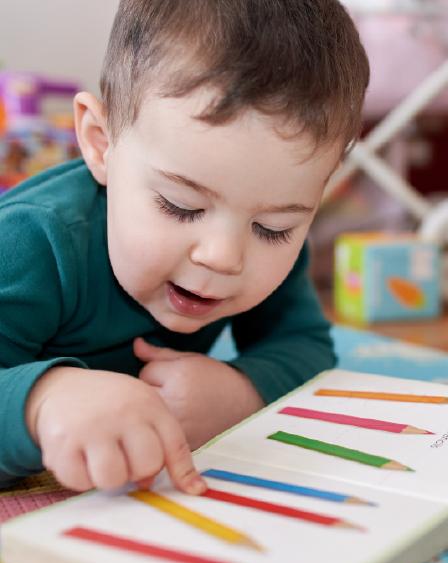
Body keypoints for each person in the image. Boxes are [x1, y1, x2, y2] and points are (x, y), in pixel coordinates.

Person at [0, 0, 369, 494]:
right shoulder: (31, 243)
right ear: (100, 143)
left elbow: (306, 346)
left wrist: (241, 391)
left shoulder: (260, 235)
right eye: (181, 206)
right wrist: (39, 403)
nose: (224, 255)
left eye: (274, 228)